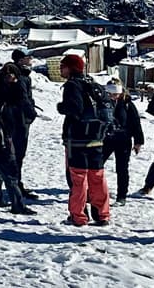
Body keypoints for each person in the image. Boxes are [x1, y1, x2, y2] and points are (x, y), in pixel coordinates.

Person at [56, 53, 111, 226]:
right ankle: (102, 215)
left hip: (77, 139)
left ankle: (78, 216)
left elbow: (75, 108)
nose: (60, 69)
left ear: (71, 68)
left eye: (62, 66)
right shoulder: (93, 84)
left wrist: (61, 107)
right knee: (97, 177)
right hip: (97, 138)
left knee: (78, 178)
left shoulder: (72, 85)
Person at [0, 63, 36, 214]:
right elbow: (25, 105)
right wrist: (30, 115)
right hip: (3, 131)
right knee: (10, 166)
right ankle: (17, 205)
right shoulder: (9, 89)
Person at [102, 82, 145, 204]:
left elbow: (136, 123)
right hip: (106, 139)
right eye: (111, 94)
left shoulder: (127, 104)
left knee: (122, 169)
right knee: (97, 165)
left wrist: (138, 141)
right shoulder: (103, 102)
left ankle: (121, 196)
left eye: (116, 94)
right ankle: (93, 191)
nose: (113, 96)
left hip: (123, 140)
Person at [9, 48, 38, 197]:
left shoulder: (18, 74)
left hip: (16, 119)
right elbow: (23, 99)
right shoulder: (20, 77)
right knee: (17, 154)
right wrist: (32, 113)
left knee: (13, 153)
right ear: (20, 60)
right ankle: (15, 186)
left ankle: (12, 185)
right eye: (28, 57)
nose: (31, 59)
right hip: (18, 120)